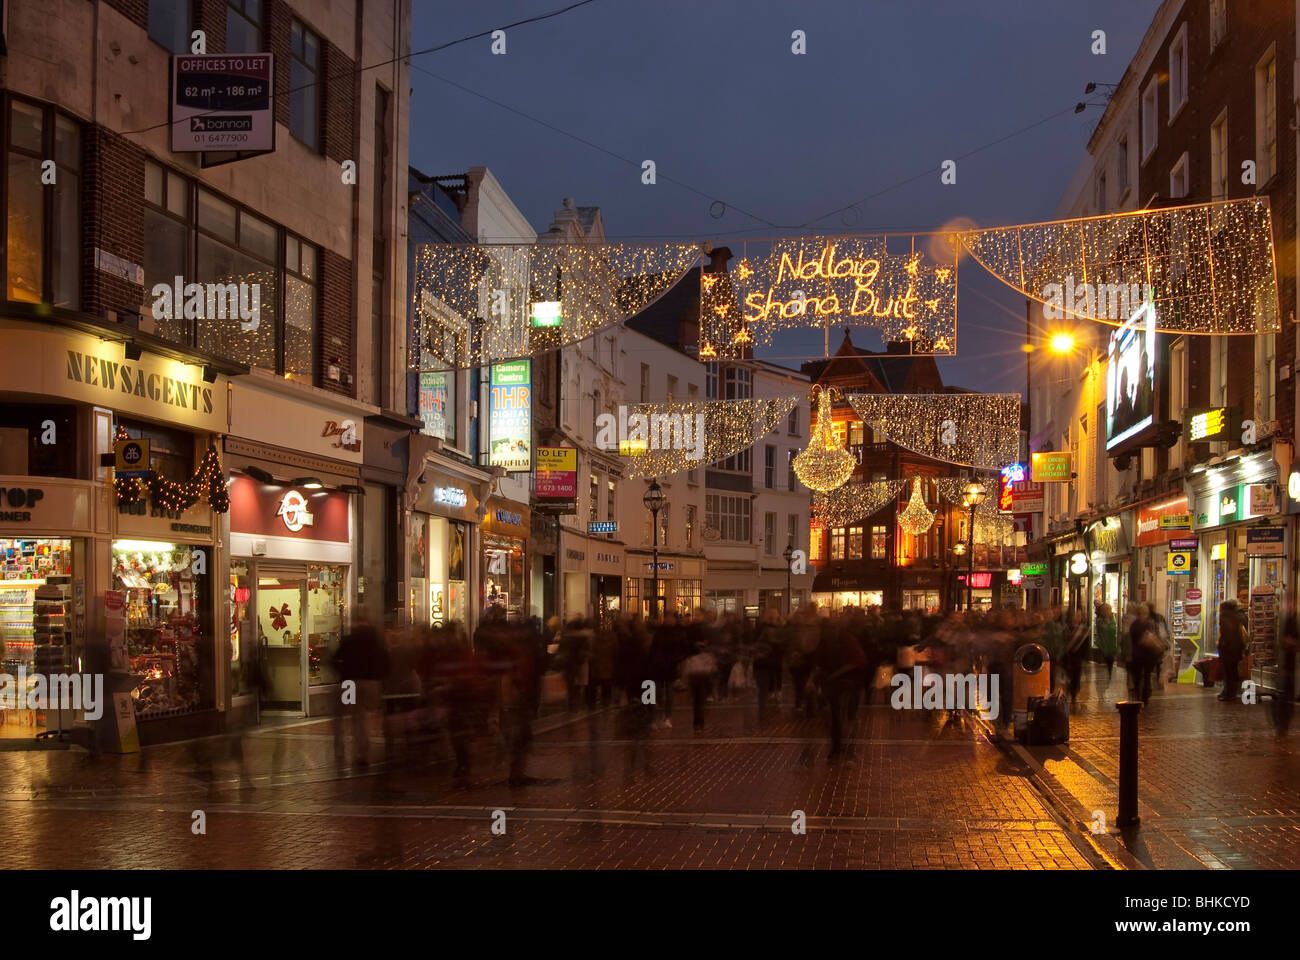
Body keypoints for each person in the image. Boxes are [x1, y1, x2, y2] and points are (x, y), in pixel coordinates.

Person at [333, 611, 390, 766]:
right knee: (361, 717)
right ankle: (362, 752)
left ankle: (340, 749)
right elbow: (385, 660)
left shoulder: (349, 638)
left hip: (350, 682)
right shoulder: (377, 640)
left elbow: (336, 658)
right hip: (371, 682)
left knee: (346, 715)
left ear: (355, 621)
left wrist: (342, 673)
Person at [1217, 600, 1247, 702]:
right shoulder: (1238, 616)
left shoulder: (1224, 616)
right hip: (1237, 648)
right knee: (1233, 671)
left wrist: (1222, 644)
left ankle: (1228, 693)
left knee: (1228, 672)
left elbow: (1226, 633)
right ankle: (1232, 692)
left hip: (1227, 649)